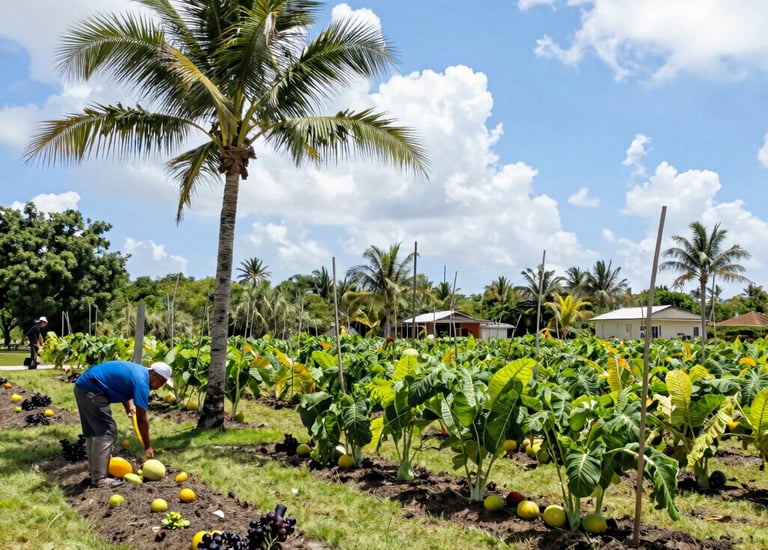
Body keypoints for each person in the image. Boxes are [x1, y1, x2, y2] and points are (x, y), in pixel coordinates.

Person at [74, 360, 173, 488]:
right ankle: (99, 479)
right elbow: (142, 420)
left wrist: (128, 406)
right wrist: (147, 446)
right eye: (162, 382)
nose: (161, 386)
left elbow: (121, 385)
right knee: (107, 431)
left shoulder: (139, 372)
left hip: (83, 386)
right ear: (155, 376)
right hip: (93, 390)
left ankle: (95, 472)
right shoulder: (143, 383)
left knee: (93, 432)